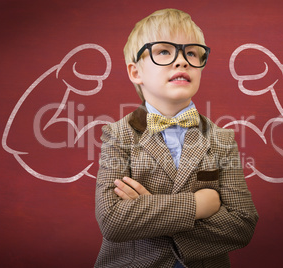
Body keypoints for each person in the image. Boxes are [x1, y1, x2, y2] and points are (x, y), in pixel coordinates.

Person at [94, 8, 258, 268]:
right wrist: (197, 204)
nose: (182, 61)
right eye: (163, 51)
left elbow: (242, 224)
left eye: (191, 53)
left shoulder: (221, 139)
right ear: (136, 72)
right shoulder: (118, 135)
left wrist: (147, 210)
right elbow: (113, 220)